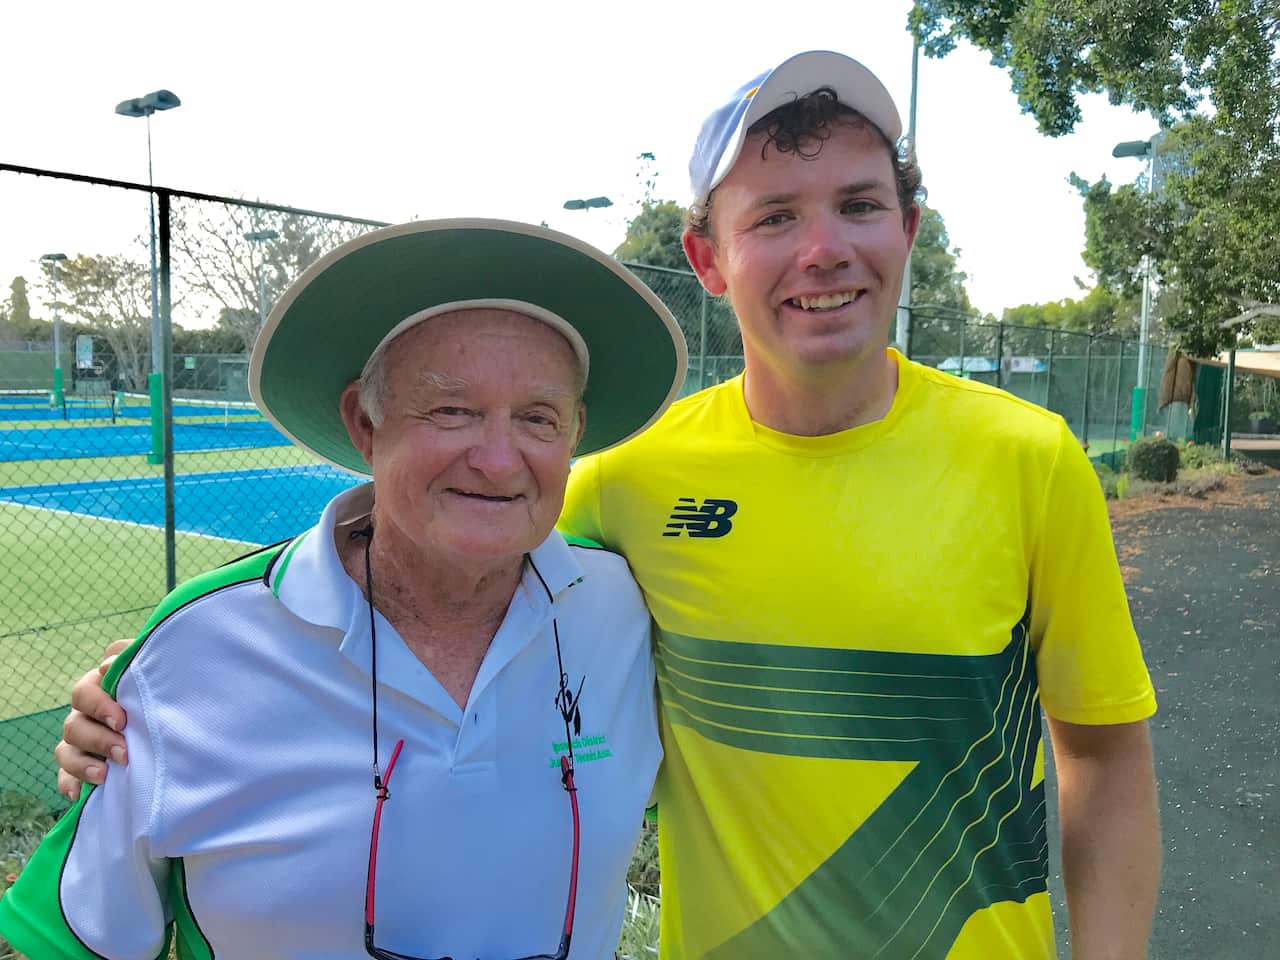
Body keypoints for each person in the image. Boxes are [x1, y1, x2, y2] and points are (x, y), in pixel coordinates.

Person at [52, 51, 1161, 959]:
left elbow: (1104, 756)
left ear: (907, 229)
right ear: (708, 258)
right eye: (775, 216)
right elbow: (431, 543)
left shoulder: (1029, 458)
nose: (823, 249)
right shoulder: (626, 482)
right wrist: (158, 681)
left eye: (859, 205)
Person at [2, 218, 687, 960]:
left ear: (575, 433)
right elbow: (69, 942)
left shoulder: (629, 608)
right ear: (365, 423)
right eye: (452, 410)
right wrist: (147, 680)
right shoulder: (194, 650)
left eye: (537, 418)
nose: (498, 459)